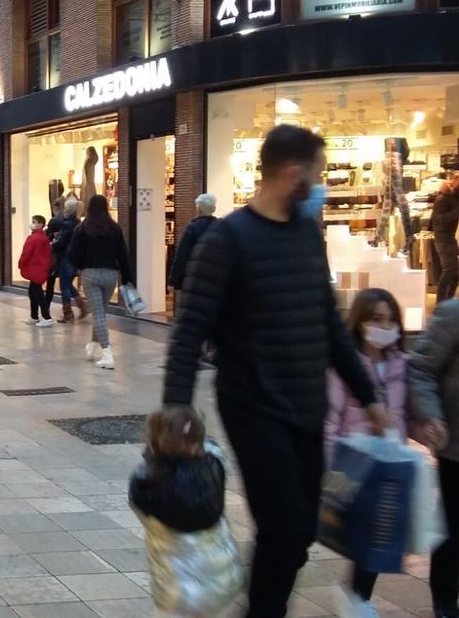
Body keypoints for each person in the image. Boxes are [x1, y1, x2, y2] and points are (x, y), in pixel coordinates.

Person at [162, 124, 388, 618]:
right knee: (283, 528)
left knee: (302, 529)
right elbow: (188, 331)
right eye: (318, 174)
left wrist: (368, 395)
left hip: (307, 405)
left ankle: (265, 606)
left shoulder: (308, 232)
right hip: (254, 407)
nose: (322, 183)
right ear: (293, 175)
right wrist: (176, 411)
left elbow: (328, 322)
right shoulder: (227, 240)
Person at [324, 288, 445, 615]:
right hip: (356, 465)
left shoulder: (400, 364)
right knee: (365, 540)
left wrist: (427, 432)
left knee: (378, 540)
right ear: (360, 321)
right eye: (377, 319)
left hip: (391, 466)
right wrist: (332, 471)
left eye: (391, 320)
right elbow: (330, 422)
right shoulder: (344, 367)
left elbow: (405, 416)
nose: (385, 326)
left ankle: (356, 598)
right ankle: (355, 600)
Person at [131, 406, 244, 617]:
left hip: (177, 589)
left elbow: (142, 513)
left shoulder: (146, 483)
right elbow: (212, 449)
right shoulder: (213, 466)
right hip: (219, 581)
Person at [409, 298, 459, 618]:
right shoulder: (453, 314)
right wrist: (431, 415)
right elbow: (421, 368)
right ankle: (444, 601)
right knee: (454, 526)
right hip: (456, 445)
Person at [68, 194, 132, 370]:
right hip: (111, 275)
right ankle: (92, 345)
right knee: (101, 312)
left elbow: (72, 254)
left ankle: (107, 353)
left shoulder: (82, 228)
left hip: (90, 275)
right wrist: (127, 278)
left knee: (98, 314)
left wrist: (80, 267)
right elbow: (123, 255)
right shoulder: (115, 228)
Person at [168, 193, 218, 295]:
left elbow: (182, 255)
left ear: (198, 208)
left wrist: (173, 281)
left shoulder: (193, 228)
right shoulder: (221, 227)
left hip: (195, 276)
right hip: (215, 277)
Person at [48, 197, 86, 323]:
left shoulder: (67, 224)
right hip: (75, 257)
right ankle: (82, 305)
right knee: (68, 283)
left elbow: (62, 242)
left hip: (66, 256)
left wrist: (53, 243)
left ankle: (68, 312)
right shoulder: (78, 223)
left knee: (64, 284)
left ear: (68, 210)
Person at [18, 215, 55, 327]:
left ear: (40, 225)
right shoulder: (44, 238)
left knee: (37, 294)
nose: (32, 224)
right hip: (41, 268)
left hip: (35, 269)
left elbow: (26, 253)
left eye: (34, 222)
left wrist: (21, 264)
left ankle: (46, 317)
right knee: (33, 292)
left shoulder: (33, 238)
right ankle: (34, 316)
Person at [433, 171, 459, 302]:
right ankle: (441, 302)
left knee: (455, 274)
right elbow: (442, 219)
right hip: (442, 239)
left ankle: (447, 301)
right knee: (449, 271)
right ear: (454, 180)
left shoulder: (454, 196)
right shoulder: (442, 198)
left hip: (450, 238)